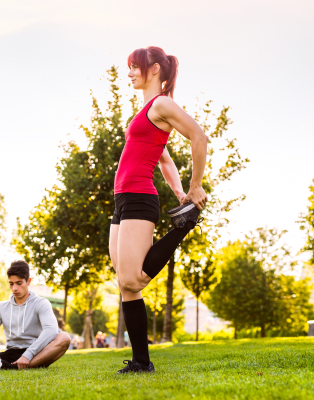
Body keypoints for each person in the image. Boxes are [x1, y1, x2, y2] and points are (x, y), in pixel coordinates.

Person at [110, 46, 208, 374]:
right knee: (124, 283)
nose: (130, 73)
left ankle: (181, 228)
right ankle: (141, 361)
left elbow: (199, 137)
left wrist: (195, 187)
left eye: (134, 67)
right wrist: (179, 191)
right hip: (123, 199)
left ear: (153, 69)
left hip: (140, 196)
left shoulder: (162, 103)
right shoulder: (145, 111)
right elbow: (164, 158)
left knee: (133, 278)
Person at [0, 261, 71, 370]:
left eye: (19, 283)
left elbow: (51, 330)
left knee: (64, 338)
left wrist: (28, 355)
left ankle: (11, 367)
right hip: (8, 355)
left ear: (28, 281)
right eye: (11, 284)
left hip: (36, 353)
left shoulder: (41, 303)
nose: (14, 288)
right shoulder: (2, 307)